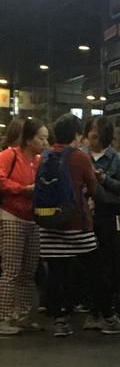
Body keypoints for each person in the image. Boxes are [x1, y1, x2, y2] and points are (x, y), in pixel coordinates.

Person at [39, 114, 118, 337]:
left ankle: (59, 320)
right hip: (77, 224)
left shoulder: (45, 156)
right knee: (97, 270)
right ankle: (106, 316)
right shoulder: (79, 157)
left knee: (56, 274)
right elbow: (94, 189)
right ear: (76, 135)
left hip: (49, 223)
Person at [81, 115, 120, 334]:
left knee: (108, 265)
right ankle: (95, 312)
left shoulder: (115, 159)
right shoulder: (80, 156)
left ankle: (105, 312)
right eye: (91, 135)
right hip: (83, 218)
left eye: (97, 136)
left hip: (106, 217)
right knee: (89, 266)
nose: (93, 141)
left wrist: (103, 179)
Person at [0, 118, 48, 334]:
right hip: (11, 217)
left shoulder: (39, 161)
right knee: (11, 270)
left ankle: (22, 315)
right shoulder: (9, 155)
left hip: (33, 219)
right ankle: (3, 318)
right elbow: (1, 180)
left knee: (29, 270)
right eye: (41, 138)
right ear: (29, 139)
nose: (45, 142)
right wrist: (22, 189)